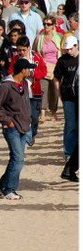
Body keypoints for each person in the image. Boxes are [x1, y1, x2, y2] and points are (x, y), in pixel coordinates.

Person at [0, 58, 37, 200]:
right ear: (23, 70)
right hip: (12, 128)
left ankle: (3, 185)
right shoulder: (6, 86)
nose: (30, 70)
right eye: (28, 68)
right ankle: (9, 189)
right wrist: (8, 121)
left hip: (24, 126)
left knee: (15, 158)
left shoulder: (24, 83)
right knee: (18, 159)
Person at [8, 37, 47, 146]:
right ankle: (24, 136)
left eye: (23, 50)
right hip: (20, 92)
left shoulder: (37, 57)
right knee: (22, 116)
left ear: (28, 48)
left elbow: (43, 71)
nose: (21, 52)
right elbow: (10, 72)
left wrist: (33, 74)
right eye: (19, 50)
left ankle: (32, 133)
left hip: (35, 91)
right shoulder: (15, 59)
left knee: (34, 116)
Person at [54, 36, 79, 164]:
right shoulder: (62, 60)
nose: (68, 51)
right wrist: (60, 95)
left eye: (71, 49)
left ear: (77, 46)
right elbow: (57, 78)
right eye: (66, 49)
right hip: (68, 96)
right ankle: (68, 152)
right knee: (70, 125)